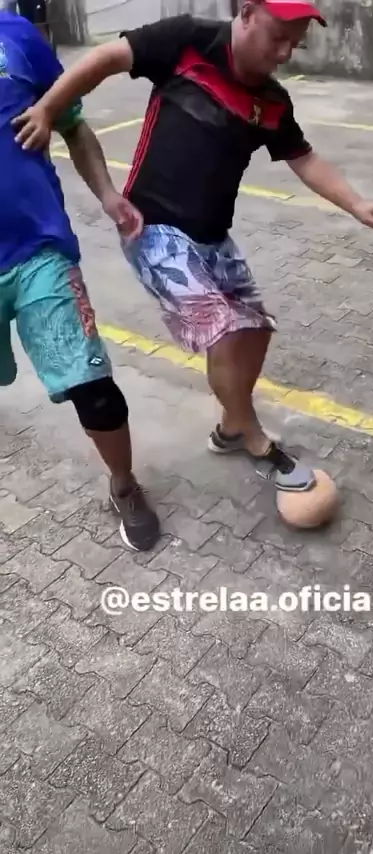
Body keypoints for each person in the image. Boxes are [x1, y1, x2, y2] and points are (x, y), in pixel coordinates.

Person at [13, 0, 373, 494]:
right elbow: (106, 58)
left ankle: (230, 425)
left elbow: (304, 159)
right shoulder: (187, 41)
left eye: (295, 44)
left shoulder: (272, 101)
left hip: (214, 238)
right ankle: (253, 435)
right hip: (153, 230)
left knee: (256, 330)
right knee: (223, 332)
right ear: (247, 13)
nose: (285, 53)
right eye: (278, 37)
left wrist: (357, 204)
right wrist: (49, 108)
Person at [0, 9, 161, 550]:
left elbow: (72, 124)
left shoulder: (17, 37)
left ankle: (124, 484)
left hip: (39, 252)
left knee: (93, 388)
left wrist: (109, 196)